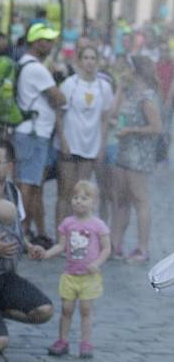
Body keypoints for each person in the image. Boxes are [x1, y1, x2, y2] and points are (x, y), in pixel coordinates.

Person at [0, 139, 52, 353]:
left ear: (10, 166)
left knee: (44, 311)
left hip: (5, 275)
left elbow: (17, 232)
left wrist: (29, 247)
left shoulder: (13, 192)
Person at [41, 181, 111, 358]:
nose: (79, 201)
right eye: (75, 197)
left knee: (86, 310)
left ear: (94, 202)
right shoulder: (68, 223)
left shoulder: (98, 225)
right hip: (70, 274)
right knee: (66, 308)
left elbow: (106, 248)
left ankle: (86, 342)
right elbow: (61, 246)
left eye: (84, 198)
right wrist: (47, 254)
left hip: (89, 276)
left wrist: (97, 263)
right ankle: (62, 340)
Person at [13, 24, 66, 244]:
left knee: (30, 184)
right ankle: (22, 232)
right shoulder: (37, 69)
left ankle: (27, 230)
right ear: (37, 42)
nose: (52, 44)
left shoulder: (25, 64)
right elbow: (60, 98)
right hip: (34, 133)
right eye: (47, 40)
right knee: (28, 184)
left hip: (28, 131)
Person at [110, 55, 162, 263]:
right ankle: (116, 244)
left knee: (140, 200)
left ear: (136, 70)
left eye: (128, 69)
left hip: (139, 155)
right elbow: (112, 112)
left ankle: (142, 248)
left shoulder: (147, 97)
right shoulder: (130, 93)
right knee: (121, 200)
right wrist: (120, 89)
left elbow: (156, 128)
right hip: (124, 151)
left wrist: (131, 129)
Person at [55, 45, 113, 226]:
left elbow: (105, 119)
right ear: (79, 61)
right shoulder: (70, 84)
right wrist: (63, 140)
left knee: (82, 192)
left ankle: (79, 233)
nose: (89, 62)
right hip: (70, 143)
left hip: (90, 145)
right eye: (85, 58)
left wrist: (101, 146)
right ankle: (61, 235)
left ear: (98, 61)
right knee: (66, 191)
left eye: (93, 58)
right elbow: (59, 114)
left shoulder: (104, 87)